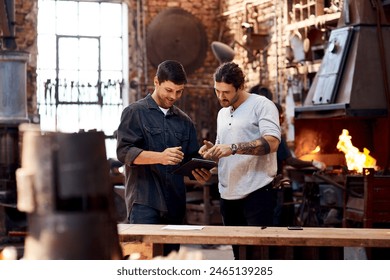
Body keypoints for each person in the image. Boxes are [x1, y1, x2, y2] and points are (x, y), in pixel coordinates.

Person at [116, 60, 211, 256]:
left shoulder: (185, 121)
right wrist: (160, 157)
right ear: (156, 82)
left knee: (169, 263)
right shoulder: (135, 112)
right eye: (169, 90)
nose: (173, 97)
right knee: (142, 262)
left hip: (174, 203)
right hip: (144, 201)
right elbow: (124, 152)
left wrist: (202, 166)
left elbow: (189, 160)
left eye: (179, 91)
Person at [198, 62, 281, 259]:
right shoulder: (222, 112)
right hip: (228, 194)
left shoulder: (262, 105)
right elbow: (223, 148)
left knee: (258, 257)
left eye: (225, 92)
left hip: (257, 192)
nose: (220, 97)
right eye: (217, 91)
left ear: (240, 86)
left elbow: (272, 142)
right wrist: (212, 152)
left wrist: (233, 148)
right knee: (238, 256)